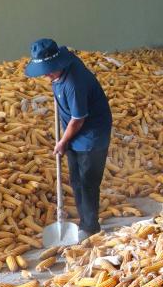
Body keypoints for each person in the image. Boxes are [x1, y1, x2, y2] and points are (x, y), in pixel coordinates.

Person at [24, 38, 113, 239]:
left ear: (59, 64)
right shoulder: (63, 66)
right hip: (73, 132)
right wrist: (66, 139)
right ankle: (84, 221)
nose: (46, 75)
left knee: (87, 182)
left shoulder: (74, 83)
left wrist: (63, 141)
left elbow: (78, 120)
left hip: (91, 135)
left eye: (49, 70)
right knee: (76, 180)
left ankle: (90, 227)